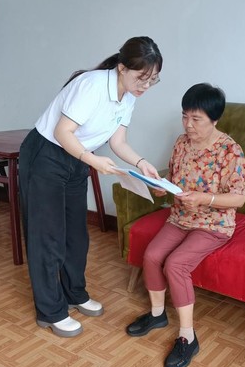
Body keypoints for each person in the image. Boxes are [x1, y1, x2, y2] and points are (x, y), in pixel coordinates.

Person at [19, 36, 163, 338]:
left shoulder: (129, 96)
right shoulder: (92, 85)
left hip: (76, 158)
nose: (146, 86)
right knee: (48, 237)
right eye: (142, 77)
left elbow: (118, 142)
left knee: (76, 235)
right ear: (122, 68)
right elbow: (62, 132)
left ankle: (75, 293)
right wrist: (92, 160)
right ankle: (50, 311)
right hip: (46, 155)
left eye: (153, 80)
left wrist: (142, 164)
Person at [126, 83, 245, 367]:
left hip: (213, 223)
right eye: (184, 116)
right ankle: (158, 314)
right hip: (180, 217)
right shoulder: (182, 142)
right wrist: (161, 186)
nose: (188, 125)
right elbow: (175, 178)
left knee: (176, 264)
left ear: (214, 119)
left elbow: (239, 198)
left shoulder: (230, 151)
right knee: (152, 256)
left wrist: (205, 198)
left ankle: (187, 337)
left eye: (196, 119)